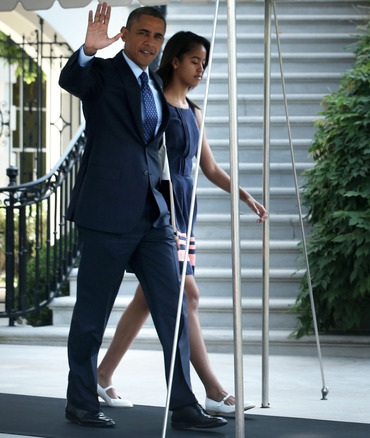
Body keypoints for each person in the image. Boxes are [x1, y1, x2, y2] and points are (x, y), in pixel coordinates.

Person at [59, 3, 226, 429]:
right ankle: (80, 401)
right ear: (127, 35)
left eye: (157, 35)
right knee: (92, 313)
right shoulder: (103, 75)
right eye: (143, 33)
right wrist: (87, 51)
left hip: (153, 216)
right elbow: (71, 80)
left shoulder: (156, 83)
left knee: (173, 309)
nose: (150, 41)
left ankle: (185, 404)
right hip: (106, 213)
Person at [95, 30, 268, 416]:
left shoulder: (194, 110)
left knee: (148, 298)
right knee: (187, 296)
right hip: (161, 209)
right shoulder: (153, 103)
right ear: (175, 61)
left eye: (204, 63)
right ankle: (214, 389)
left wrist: (244, 195)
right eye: (195, 61)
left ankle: (102, 374)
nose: (201, 69)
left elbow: (209, 167)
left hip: (186, 212)